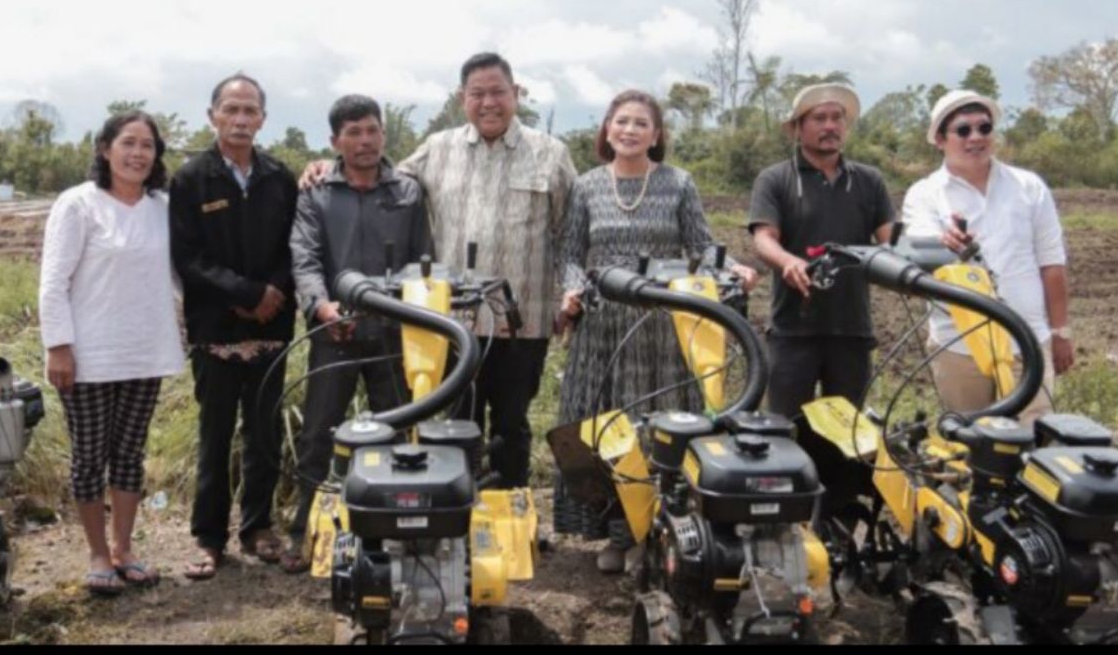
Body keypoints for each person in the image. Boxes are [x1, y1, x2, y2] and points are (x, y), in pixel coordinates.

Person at [302, 53, 577, 489]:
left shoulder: (551, 154)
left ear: (516, 93)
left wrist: (570, 291)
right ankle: (458, 521)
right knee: (453, 423)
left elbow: (569, 235)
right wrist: (324, 166)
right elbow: (376, 174)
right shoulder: (437, 148)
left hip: (520, 320)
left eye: (498, 92)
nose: (489, 102)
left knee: (511, 425)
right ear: (462, 98)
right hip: (448, 320)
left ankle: (507, 523)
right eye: (477, 94)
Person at [555, 90, 759, 574]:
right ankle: (616, 531)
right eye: (620, 121)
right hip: (604, 328)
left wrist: (734, 266)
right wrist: (572, 289)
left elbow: (702, 245)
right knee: (606, 427)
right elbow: (569, 253)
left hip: (663, 330)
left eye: (640, 123)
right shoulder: (586, 187)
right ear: (606, 129)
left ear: (656, 134)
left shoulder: (677, 183)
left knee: (658, 426)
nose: (629, 130)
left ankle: (656, 533)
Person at [39, 110, 185, 596]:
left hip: (144, 351)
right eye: (128, 143)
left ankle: (124, 549)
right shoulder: (78, 204)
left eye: (148, 145)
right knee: (89, 456)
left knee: (129, 455)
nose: (138, 153)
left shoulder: (163, 206)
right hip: (88, 356)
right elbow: (53, 282)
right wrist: (58, 346)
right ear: (105, 148)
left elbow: (182, 275)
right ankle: (97, 554)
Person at [284, 94, 433, 571]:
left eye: (371, 130)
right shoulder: (317, 192)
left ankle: (394, 528)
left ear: (383, 134)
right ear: (335, 141)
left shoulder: (408, 191)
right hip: (335, 334)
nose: (364, 141)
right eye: (353, 133)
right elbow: (304, 256)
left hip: (394, 335)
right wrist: (321, 305)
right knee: (318, 435)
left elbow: (423, 259)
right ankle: (303, 530)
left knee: (400, 429)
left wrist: (409, 307)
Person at [170, 74, 299, 579]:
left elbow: (297, 245)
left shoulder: (279, 177)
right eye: (231, 110)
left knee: (264, 432)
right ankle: (208, 537)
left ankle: (258, 526)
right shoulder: (190, 179)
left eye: (250, 111)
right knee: (215, 434)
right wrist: (244, 295)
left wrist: (271, 294)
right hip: (215, 329)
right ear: (213, 116)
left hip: (272, 322)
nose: (241, 120)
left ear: (263, 119)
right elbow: (188, 256)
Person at [902, 89, 1072, 422]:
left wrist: (1061, 333)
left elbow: (1051, 264)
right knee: (970, 450)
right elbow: (918, 248)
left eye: (984, 128)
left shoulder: (1029, 187)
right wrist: (943, 242)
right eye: (963, 130)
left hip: (1028, 342)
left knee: (1030, 450)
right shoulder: (924, 195)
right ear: (939, 139)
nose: (976, 138)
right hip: (959, 346)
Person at [748, 83, 895, 419]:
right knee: (784, 428)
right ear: (799, 128)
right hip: (792, 330)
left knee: (846, 437)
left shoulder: (869, 180)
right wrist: (789, 261)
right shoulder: (775, 179)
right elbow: (764, 238)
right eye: (819, 118)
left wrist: (915, 255)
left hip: (852, 330)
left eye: (837, 118)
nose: (830, 126)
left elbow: (892, 242)